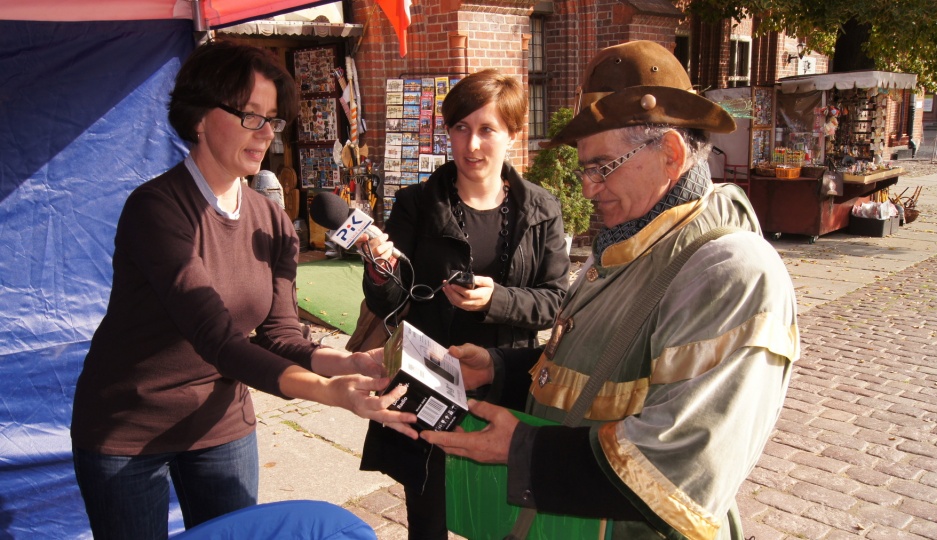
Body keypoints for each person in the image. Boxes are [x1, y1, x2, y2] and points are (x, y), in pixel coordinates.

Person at [419, 40, 801, 539]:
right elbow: (600, 370)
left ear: (669, 153)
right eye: (584, 168)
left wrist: (522, 451)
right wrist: (499, 370)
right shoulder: (633, 242)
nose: (587, 188)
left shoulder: (730, 271)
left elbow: (679, 465)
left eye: (601, 167)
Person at [70, 40, 417, 540]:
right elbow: (218, 340)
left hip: (220, 424)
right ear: (198, 118)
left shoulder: (271, 219)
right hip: (129, 428)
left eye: (272, 119)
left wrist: (350, 363)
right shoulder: (157, 209)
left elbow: (278, 335)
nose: (266, 134)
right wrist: (330, 394)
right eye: (249, 116)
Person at [357, 68, 570, 539]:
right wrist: (379, 270)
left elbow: (557, 303)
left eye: (487, 130)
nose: (472, 145)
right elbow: (393, 300)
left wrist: (500, 301)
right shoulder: (417, 203)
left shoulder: (541, 209)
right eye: (460, 128)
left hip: (507, 382)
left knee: (503, 515)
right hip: (430, 381)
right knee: (430, 517)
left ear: (514, 134)